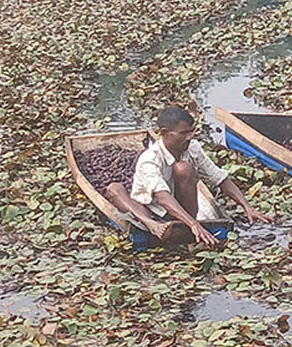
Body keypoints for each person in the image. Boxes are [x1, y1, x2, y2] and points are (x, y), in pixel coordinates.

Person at [105, 105, 272, 246]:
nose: (190, 137)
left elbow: (219, 178)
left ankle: (184, 224)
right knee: (114, 189)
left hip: (182, 211)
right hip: (151, 211)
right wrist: (193, 224)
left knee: (184, 168)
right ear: (165, 133)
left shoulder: (193, 149)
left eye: (191, 131)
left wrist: (247, 207)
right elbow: (162, 198)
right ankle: (152, 225)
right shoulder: (150, 159)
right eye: (184, 133)